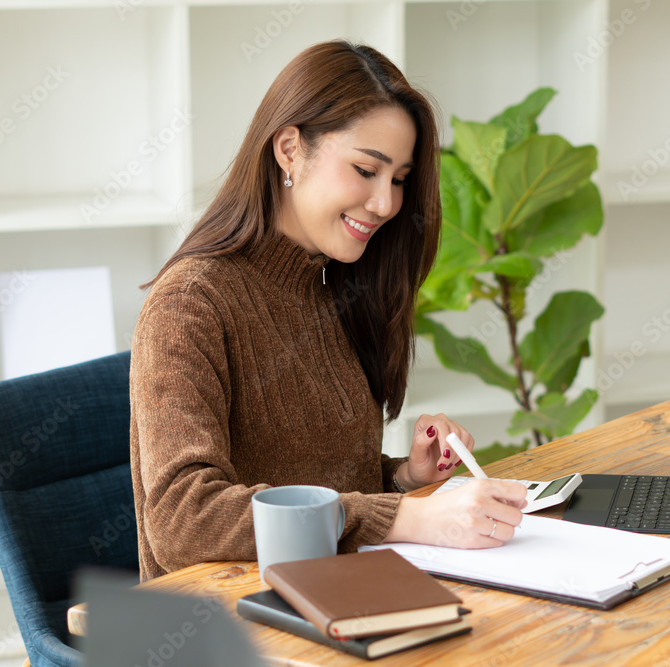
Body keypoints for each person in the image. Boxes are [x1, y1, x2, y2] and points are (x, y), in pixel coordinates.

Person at [130, 40, 527, 581]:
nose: (386, 203)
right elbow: (184, 521)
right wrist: (405, 517)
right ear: (290, 149)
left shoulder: (332, 285)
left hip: (336, 589)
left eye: (400, 180)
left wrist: (404, 479)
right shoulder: (190, 303)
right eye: (366, 169)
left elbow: (320, 488)